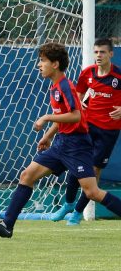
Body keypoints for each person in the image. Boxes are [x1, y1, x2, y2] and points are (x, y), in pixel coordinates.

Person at [0, 42, 121, 238]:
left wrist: (46, 118)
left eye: (43, 61)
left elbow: (76, 116)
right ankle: (7, 225)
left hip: (77, 146)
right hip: (61, 143)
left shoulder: (66, 86)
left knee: (92, 192)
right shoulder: (55, 87)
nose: (39, 65)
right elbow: (63, 116)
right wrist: (48, 135)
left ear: (55, 64)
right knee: (26, 176)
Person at [50, 38, 121, 225]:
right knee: (78, 167)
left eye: (103, 52)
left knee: (94, 172)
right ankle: (68, 204)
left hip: (109, 132)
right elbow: (78, 96)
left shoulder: (118, 77)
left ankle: (77, 213)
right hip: (87, 127)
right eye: (96, 52)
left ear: (111, 54)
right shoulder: (87, 73)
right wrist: (80, 105)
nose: (98, 55)